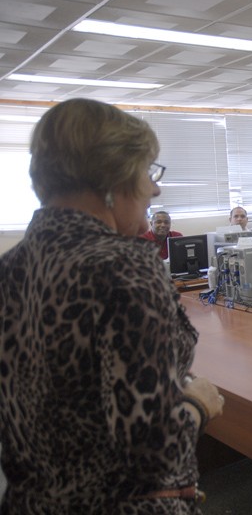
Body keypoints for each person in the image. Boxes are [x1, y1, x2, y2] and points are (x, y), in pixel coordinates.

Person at [0, 98, 223, 513]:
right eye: (146, 172)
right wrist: (198, 404)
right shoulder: (124, 265)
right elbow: (151, 452)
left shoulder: (10, 266)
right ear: (111, 180)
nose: (154, 188)